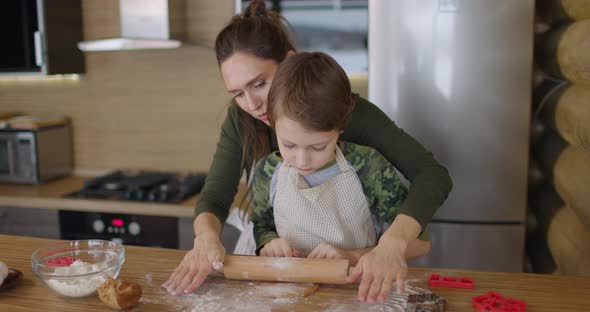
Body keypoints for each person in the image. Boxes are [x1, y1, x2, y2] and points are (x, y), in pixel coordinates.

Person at [163, 0, 452, 303]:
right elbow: (215, 198)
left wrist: (391, 244)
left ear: (290, 61)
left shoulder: (349, 114)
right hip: (278, 280)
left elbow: (432, 176)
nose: (252, 104)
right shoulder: (242, 121)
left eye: (259, 84)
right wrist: (206, 239)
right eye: (238, 93)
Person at [251, 51, 431, 268]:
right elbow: (262, 226)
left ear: (341, 127)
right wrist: (269, 243)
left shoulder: (369, 167)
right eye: (289, 145)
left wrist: (353, 257)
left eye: (318, 147)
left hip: (359, 293)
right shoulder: (268, 171)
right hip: (290, 294)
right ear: (272, 123)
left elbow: (420, 244)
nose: (302, 160)